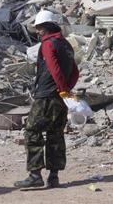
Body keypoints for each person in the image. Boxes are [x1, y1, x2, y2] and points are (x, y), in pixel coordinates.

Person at [15, 10, 78, 190]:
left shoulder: (48, 44)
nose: (38, 31)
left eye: (40, 28)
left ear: (48, 26)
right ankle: (54, 177)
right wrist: (66, 91)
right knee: (55, 133)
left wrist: (62, 88)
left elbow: (53, 68)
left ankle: (35, 175)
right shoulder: (66, 44)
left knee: (32, 130)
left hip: (47, 95)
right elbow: (75, 71)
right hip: (61, 97)